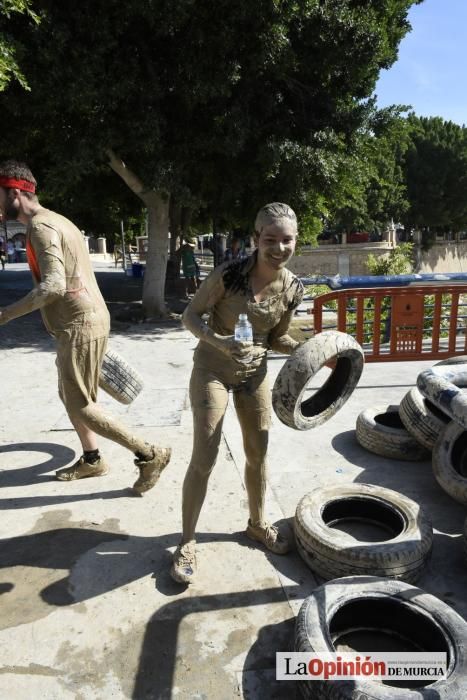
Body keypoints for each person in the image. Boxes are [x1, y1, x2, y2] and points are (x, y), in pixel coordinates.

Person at [0, 160, 171, 493]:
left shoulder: (40, 227)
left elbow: (53, 286)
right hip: (81, 322)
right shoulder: (58, 219)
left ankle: (150, 453)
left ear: (14, 192)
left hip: (80, 324)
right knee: (71, 394)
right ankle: (93, 459)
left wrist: (5, 314)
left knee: (81, 404)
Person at [171, 202, 304, 584]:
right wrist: (220, 341)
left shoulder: (293, 287)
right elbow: (189, 316)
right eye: (270, 240)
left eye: (287, 240)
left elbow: (278, 339)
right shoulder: (228, 276)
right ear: (255, 239)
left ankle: (257, 524)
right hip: (212, 370)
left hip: (254, 375)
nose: (279, 248)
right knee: (205, 456)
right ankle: (187, 540)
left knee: (258, 453)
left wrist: (308, 348)